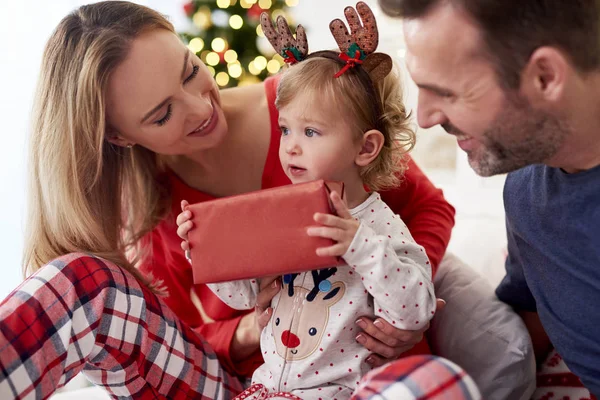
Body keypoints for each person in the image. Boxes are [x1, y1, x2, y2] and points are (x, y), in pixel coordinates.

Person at [0, 1, 481, 399]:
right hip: (250, 385)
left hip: (364, 376)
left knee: (439, 386)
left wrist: (397, 299)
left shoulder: (315, 112)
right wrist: (248, 329)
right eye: (162, 113)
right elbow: (183, 335)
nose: (200, 107)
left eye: (190, 72)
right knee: (81, 282)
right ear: (121, 137)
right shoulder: (151, 212)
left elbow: (428, 210)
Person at [176, 7, 436, 398]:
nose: (291, 146)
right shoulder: (280, 215)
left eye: (311, 131)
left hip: (341, 391)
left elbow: (415, 308)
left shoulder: (378, 226)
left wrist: (358, 245)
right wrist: (204, 251)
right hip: (266, 388)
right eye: (285, 129)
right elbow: (245, 294)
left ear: (366, 147)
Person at [378, 0, 600, 396]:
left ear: (546, 77)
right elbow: (534, 316)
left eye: (445, 92)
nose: (424, 116)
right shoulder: (525, 189)